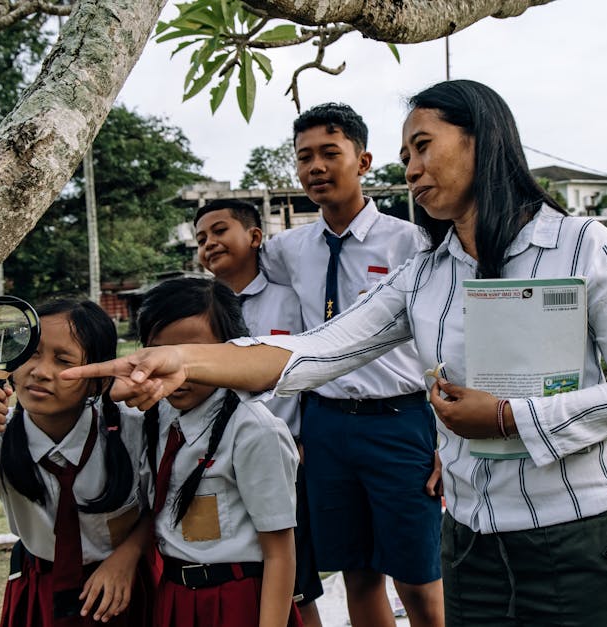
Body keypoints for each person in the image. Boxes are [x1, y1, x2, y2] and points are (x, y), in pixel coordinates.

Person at [64, 80, 607, 626]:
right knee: (360, 572)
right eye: (406, 153)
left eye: (423, 146)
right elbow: (313, 352)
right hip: (472, 546)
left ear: (483, 141)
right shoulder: (424, 274)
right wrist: (188, 361)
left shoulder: (580, 246)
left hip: (581, 534)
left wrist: (508, 417)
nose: (410, 168)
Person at [259, 103, 444, 627]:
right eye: (303, 157)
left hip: (400, 422)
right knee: (358, 574)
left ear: (363, 161)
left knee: (418, 577)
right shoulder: (287, 250)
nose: (315, 167)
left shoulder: (412, 242)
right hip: (325, 427)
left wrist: (446, 444)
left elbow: (449, 336)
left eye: (329, 153)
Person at [0, 299, 151, 626]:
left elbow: (162, 504)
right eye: (31, 353)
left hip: (120, 587)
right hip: (36, 590)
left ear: (98, 380)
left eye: (63, 360)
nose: (40, 371)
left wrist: (127, 557)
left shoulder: (132, 430)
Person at [136, 277, 301, 627]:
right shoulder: (154, 418)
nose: (175, 369)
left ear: (231, 351)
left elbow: (280, 554)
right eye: (160, 353)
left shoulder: (255, 431)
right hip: (174, 597)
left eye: (192, 354)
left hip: (236, 601)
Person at [192, 199, 324, 626]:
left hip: (282, 458)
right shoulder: (199, 316)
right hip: (215, 460)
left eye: (218, 231)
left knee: (296, 584)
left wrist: (305, 440)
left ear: (254, 236)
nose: (209, 243)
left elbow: (321, 369)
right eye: (200, 239)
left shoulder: (291, 301)